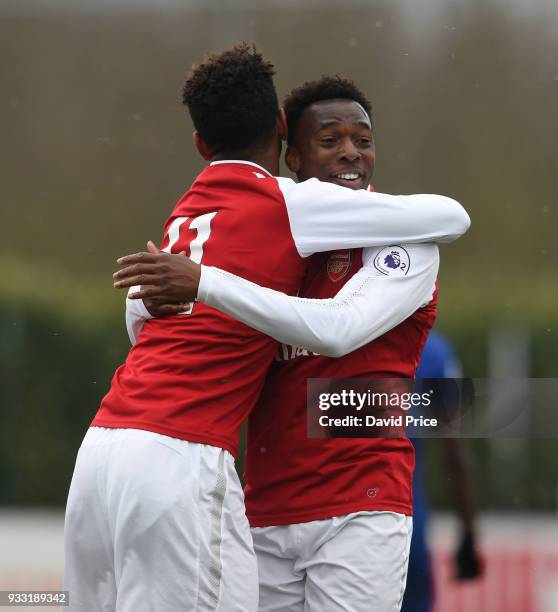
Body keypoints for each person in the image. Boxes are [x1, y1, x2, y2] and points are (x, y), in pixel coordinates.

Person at [67, 43, 469, 611]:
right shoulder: (278, 226)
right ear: (291, 154)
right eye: (330, 141)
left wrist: (197, 285)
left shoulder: (403, 247)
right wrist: (151, 299)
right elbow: (153, 305)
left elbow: (340, 329)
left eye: (364, 140)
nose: (351, 153)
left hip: (362, 502)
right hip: (263, 503)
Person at [402, 330, 482, 612]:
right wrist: (469, 531)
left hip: (334, 520)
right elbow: (455, 454)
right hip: (405, 524)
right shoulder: (431, 350)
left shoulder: (336, 335)